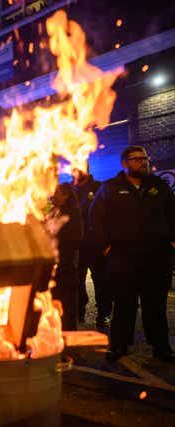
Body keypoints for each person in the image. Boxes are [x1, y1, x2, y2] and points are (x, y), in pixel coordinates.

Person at [90, 146, 175, 363]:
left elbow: (173, 214)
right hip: (123, 258)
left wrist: (171, 242)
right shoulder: (110, 188)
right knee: (124, 304)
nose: (143, 162)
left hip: (156, 257)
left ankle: (161, 347)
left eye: (144, 158)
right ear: (125, 163)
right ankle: (119, 347)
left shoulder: (159, 187)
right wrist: (105, 247)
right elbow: (96, 219)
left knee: (155, 305)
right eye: (136, 159)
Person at [72, 168, 110, 327]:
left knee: (101, 281)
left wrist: (107, 242)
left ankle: (103, 314)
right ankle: (78, 311)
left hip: (96, 244)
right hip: (76, 245)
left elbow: (108, 215)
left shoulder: (99, 187)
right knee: (76, 281)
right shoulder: (68, 189)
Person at [48, 183, 83, 331]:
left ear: (65, 195)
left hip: (66, 268)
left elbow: (75, 239)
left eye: (56, 192)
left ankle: (70, 344)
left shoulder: (72, 214)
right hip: (52, 268)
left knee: (67, 308)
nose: (52, 195)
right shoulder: (53, 212)